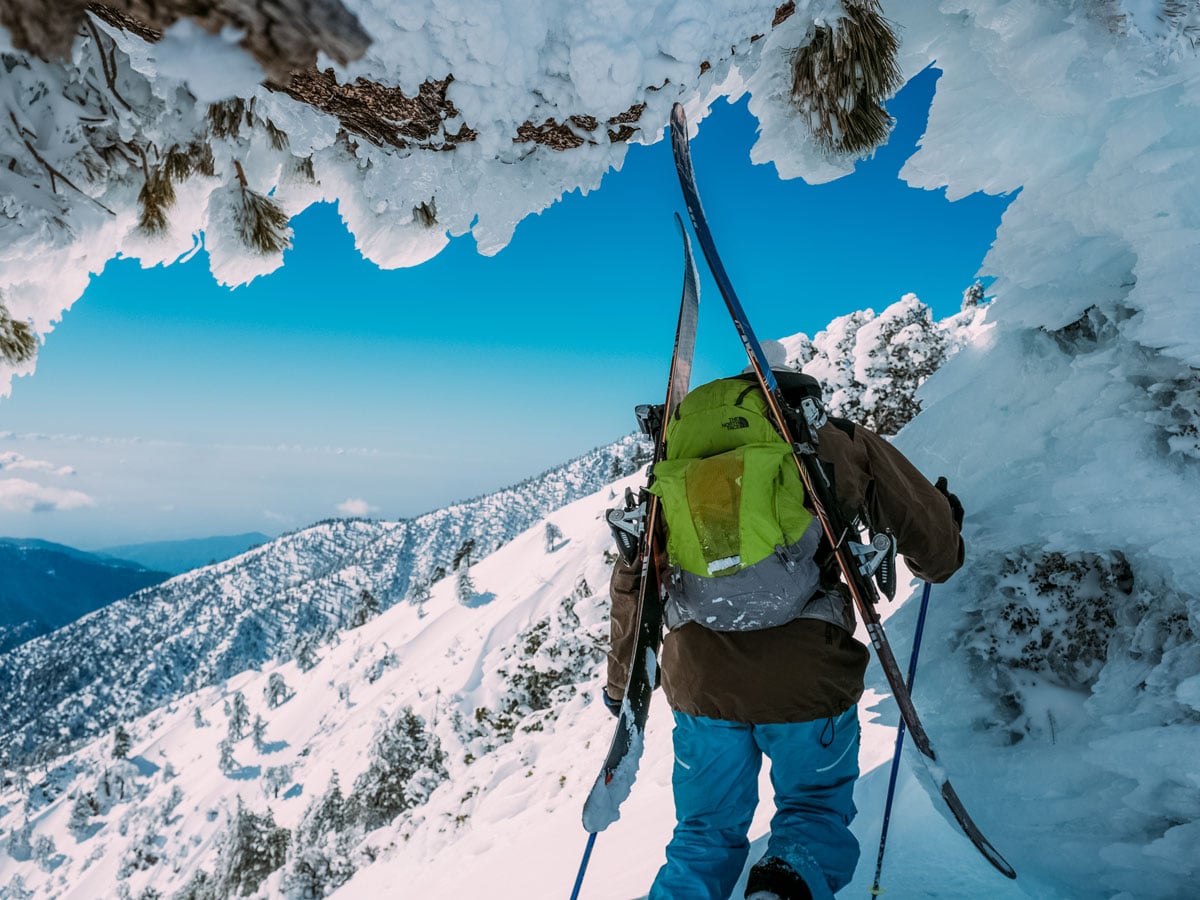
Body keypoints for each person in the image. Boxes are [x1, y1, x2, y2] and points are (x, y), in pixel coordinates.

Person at [604, 368, 964, 900]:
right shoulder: (832, 444)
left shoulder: (673, 468)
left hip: (700, 682)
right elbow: (934, 549)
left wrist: (620, 689)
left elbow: (637, 577)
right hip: (806, 675)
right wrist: (946, 536)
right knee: (813, 811)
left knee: (703, 834)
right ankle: (781, 890)